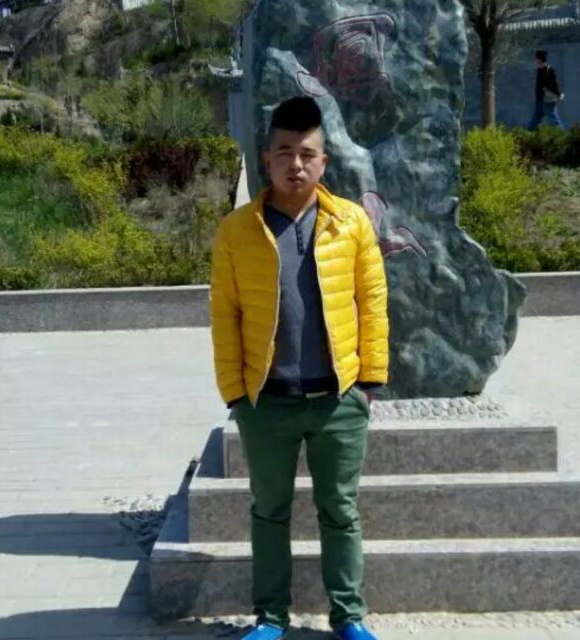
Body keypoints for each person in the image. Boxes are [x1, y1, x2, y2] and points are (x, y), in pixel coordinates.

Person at [210, 96, 389, 640]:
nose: (296, 164)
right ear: (266, 159)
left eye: (307, 154)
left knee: (340, 510)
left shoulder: (351, 223)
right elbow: (225, 313)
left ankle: (349, 616)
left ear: (323, 162)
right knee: (269, 512)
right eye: (284, 152)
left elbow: (372, 302)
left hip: (338, 400)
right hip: (267, 402)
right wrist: (236, 394)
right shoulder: (237, 230)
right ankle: (270, 618)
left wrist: (368, 383)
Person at [528, 49, 565, 131]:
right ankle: (529, 133)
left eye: (536, 59)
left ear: (539, 60)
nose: (535, 61)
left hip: (546, 99)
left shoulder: (549, 70)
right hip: (540, 99)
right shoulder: (540, 70)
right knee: (536, 119)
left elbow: (554, 84)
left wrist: (558, 94)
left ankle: (561, 134)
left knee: (553, 119)